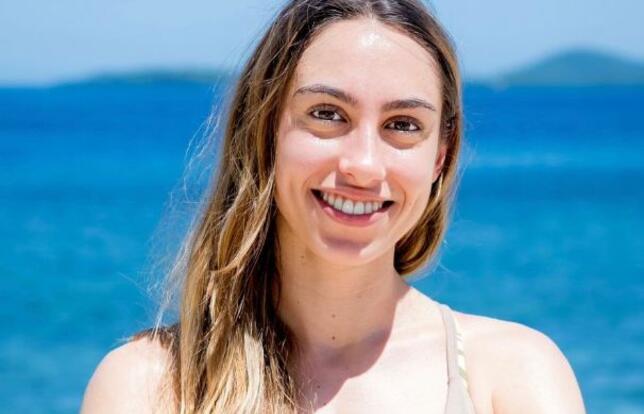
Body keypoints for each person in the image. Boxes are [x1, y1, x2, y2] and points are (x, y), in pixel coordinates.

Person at [80, 0, 586, 413]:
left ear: (440, 156)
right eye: (327, 114)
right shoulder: (147, 387)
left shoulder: (513, 375)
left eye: (403, 125)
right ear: (263, 132)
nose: (363, 165)